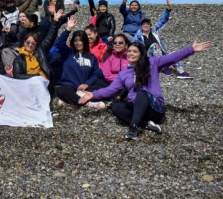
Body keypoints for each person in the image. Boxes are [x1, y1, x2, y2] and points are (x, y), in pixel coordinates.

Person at [79, 40, 210, 140]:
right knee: (116, 107)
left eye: (135, 51)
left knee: (142, 93)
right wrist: (93, 94)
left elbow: (173, 57)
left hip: (155, 108)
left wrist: (191, 49)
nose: (131, 53)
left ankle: (133, 128)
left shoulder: (152, 63)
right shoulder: (123, 74)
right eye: (129, 51)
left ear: (141, 54)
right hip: (137, 108)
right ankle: (146, 124)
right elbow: (110, 90)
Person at [12, 10, 62, 112]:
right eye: (28, 42)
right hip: (29, 83)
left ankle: (48, 106)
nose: (30, 45)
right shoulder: (19, 59)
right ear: (24, 43)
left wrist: (55, 21)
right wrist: (36, 77)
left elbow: (50, 37)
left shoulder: (40, 51)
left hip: (43, 83)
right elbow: (18, 75)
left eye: (33, 43)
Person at [54, 17, 106, 109]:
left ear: (85, 42)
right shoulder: (68, 53)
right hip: (68, 86)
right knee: (59, 90)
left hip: (84, 87)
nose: (78, 43)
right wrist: (68, 29)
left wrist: (87, 84)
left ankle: (69, 100)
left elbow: (96, 73)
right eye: (76, 41)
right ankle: (87, 103)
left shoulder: (91, 57)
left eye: (81, 40)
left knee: (102, 87)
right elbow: (59, 43)